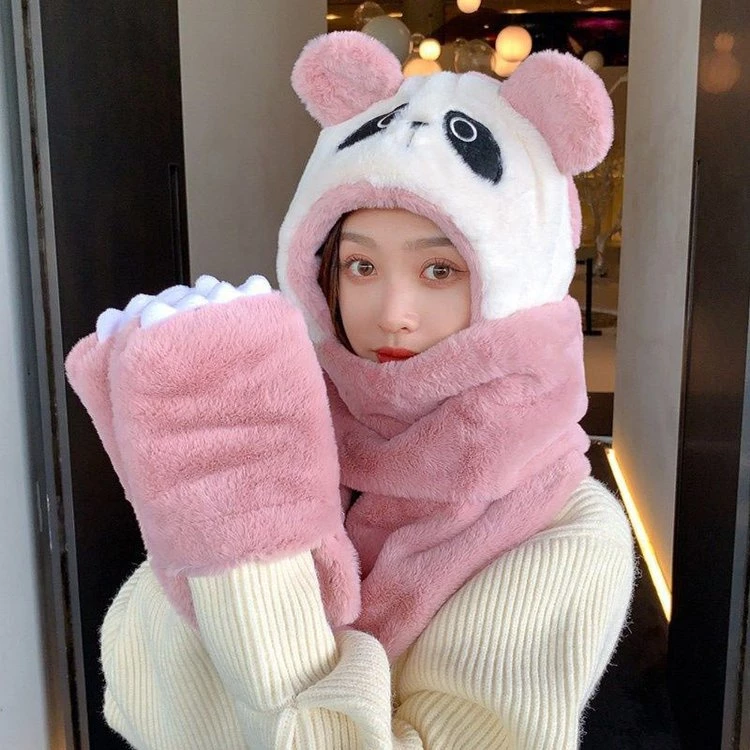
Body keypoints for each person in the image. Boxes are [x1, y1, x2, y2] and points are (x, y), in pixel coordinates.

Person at [65, 31, 635, 750]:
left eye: (440, 271)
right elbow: (144, 677)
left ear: (517, 277)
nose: (392, 313)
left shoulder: (567, 529)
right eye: (360, 267)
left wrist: (250, 546)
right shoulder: (280, 423)